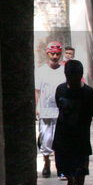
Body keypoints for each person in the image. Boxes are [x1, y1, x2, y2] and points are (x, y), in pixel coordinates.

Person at [53, 59, 93, 185]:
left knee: (80, 166)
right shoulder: (60, 89)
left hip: (80, 135)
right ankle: (71, 181)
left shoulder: (89, 93)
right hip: (63, 134)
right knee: (63, 164)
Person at [34, 41, 66, 177]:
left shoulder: (64, 70)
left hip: (61, 109)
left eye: (57, 54)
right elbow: (37, 90)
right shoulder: (41, 71)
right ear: (47, 54)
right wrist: (37, 106)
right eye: (52, 53)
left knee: (61, 139)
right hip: (45, 109)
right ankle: (46, 162)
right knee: (46, 139)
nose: (55, 56)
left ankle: (61, 167)